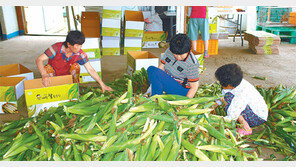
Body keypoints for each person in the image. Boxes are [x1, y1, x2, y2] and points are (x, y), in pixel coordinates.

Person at [36, 30, 113, 93]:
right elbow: (39, 59)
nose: (79, 48)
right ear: (69, 44)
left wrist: (102, 84)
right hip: (54, 74)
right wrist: (44, 74)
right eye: (77, 45)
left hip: (68, 75)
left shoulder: (80, 53)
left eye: (81, 45)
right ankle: (52, 90)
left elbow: (90, 69)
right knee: (47, 68)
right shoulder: (56, 48)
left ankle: (74, 89)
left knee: (76, 66)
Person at [214, 63, 268, 136]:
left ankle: (246, 128)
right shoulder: (235, 82)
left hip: (257, 117)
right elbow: (222, 95)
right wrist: (214, 105)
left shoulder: (241, 94)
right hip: (250, 109)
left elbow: (233, 115)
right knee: (227, 96)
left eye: (221, 82)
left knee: (229, 99)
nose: (219, 83)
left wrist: (216, 122)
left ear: (230, 85)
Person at [147, 33, 199, 98]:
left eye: (181, 54)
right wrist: (154, 84)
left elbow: (194, 87)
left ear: (188, 50)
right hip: (170, 82)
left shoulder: (192, 63)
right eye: (175, 54)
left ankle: (156, 99)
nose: (178, 57)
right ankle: (157, 94)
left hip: (181, 90)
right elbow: (161, 67)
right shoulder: (169, 51)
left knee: (156, 73)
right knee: (151, 69)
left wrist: (185, 102)